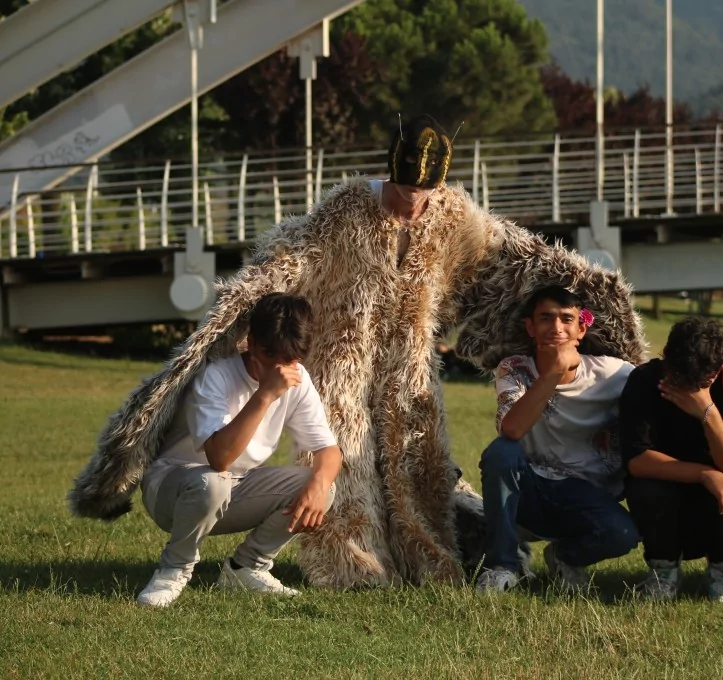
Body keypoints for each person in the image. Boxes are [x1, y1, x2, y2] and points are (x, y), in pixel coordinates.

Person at [69, 114, 646, 589]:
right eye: (403, 190)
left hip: (410, 366)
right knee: (345, 466)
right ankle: (355, 569)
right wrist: (251, 298)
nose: (412, 203)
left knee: (419, 464)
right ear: (387, 172)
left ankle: (426, 560)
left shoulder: (451, 216)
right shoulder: (346, 209)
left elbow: (510, 258)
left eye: (423, 193)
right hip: (340, 358)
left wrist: (596, 296)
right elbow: (293, 254)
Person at [136, 293, 341, 607]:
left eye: (287, 358)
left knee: (322, 487)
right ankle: (173, 569)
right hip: (171, 489)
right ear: (250, 341)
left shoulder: (299, 381)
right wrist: (264, 396)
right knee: (212, 481)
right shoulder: (216, 376)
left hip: (233, 487)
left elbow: (328, 450)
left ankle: (246, 568)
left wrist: (320, 483)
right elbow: (220, 458)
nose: (275, 365)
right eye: (267, 352)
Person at [475, 286, 639, 593]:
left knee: (624, 534)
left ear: (581, 328)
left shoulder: (615, 374)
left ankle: (565, 557)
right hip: (529, 488)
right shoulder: (515, 368)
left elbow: (664, 381)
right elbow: (511, 429)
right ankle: (502, 566)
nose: (556, 327)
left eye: (567, 319)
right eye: (546, 318)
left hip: (584, 494)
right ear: (531, 327)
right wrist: (553, 373)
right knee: (501, 452)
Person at [619, 317, 723, 603]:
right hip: (665, 499)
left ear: (716, 371)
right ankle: (663, 575)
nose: (686, 389)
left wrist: (708, 411)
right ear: (666, 359)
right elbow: (637, 460)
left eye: (699, 382)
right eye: (678, 378)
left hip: (714, 507)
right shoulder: (646, 381)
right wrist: (704, 473)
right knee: (646, 489)